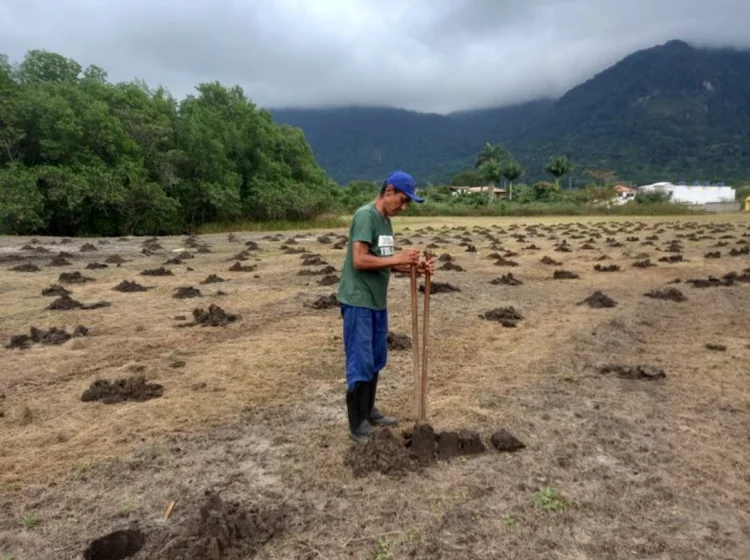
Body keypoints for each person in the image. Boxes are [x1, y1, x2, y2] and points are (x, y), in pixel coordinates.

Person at [336, 170, 435, 444]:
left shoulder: (386, 222)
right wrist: (398, 258)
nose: (403, 208)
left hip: (376, 302)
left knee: (377, 357)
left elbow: (384, 262)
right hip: (358, 301)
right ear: (389, 190)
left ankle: (369, 411)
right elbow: (360, 260)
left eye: (407, 204)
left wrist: (413, 266)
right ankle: (357, 424)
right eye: (402, 200)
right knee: (361, 360)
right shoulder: (365, 216)